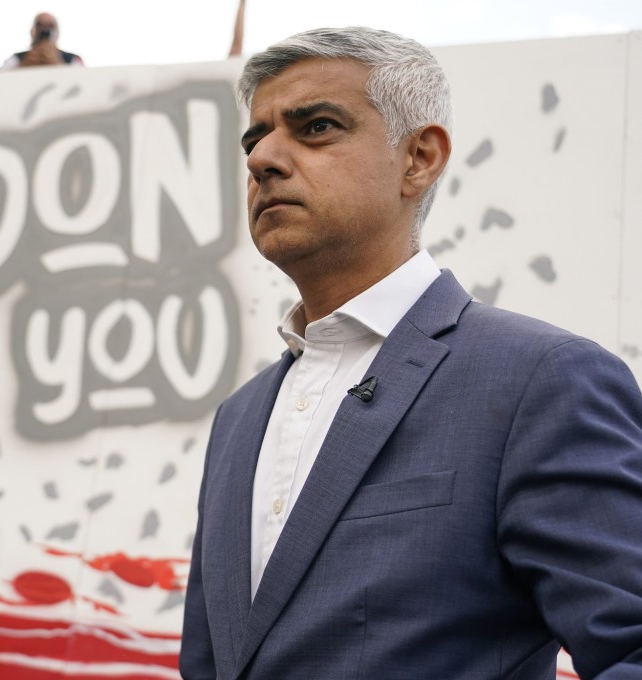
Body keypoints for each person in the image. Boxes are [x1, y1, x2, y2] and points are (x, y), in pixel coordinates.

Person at [180, 26, 642, 680]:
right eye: (255, 139)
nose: (263, 159)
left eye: (314, 127)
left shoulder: (540, 381)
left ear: (420, 157)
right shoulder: (238, 419)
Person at [0, 12, 84, 70]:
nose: (45, 30)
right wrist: (25, 65)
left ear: (57, 32)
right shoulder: (16, 59)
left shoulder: (73, 59)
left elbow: (83, 81)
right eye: (40, 25)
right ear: (32, 31)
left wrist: (58, 64)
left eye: (50, 26)